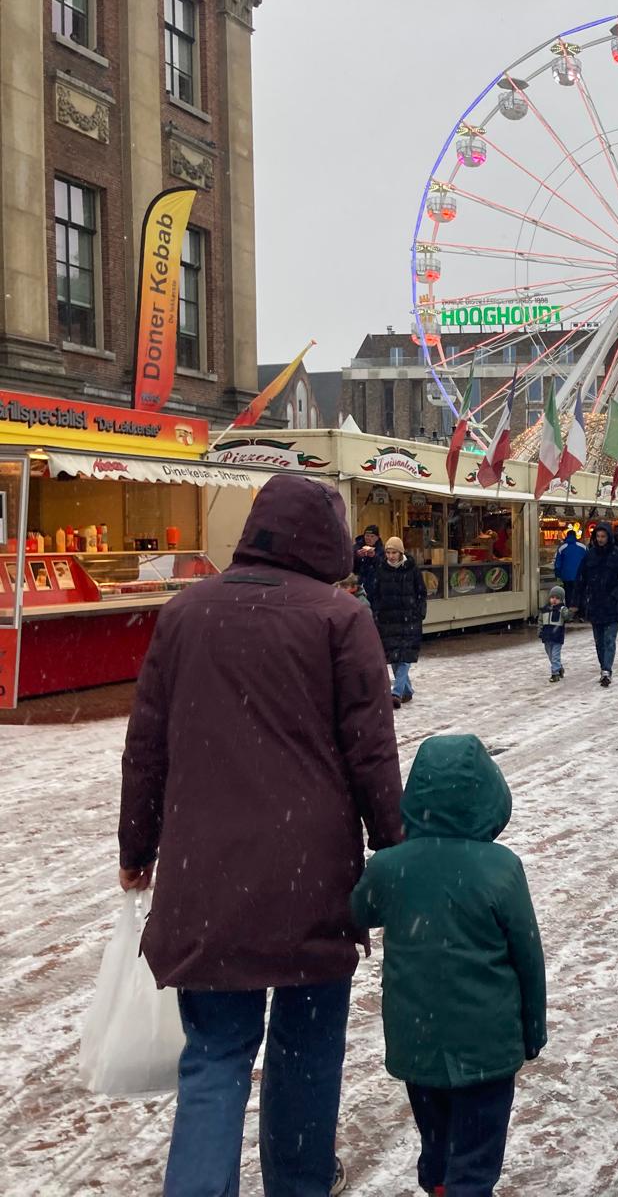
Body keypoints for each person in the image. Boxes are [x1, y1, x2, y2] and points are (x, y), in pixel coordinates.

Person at [119, 473, 404, 1197]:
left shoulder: (187, 614)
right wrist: (392, 846)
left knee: (213, 1054)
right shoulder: (339, 619)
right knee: (306, 1052)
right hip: (310, 874)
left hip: (205, 872)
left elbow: (146, 744)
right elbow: (370, 748)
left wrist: (136, 849)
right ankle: (299, 1181)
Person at [350, 735, 546, 1197]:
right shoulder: (501, 868)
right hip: (488, 1046)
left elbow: (359, 912)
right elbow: (528, 956)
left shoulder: (391, 867)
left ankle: (438, 1185)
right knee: (477, 1156)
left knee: (436, 1142)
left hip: (417, 1040)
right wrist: (532, 1030)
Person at [372, 537, 428, 708]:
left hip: (408, 618)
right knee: (394, 657)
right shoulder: (381, 569)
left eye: (394, 552)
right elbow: (376, 593)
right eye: (388, 552)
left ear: (401, 552)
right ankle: (407, 690)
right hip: (388, 619)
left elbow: (421, 592)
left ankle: (396, 692)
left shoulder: (412, 569)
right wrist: (377, 612)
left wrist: (419, 613)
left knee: (404, 656)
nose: (390, 556)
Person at [575, 525, 618, 686]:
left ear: (609, 537)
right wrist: (577, 602)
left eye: (603, 536)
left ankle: (607, 669)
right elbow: (581, 579)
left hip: (612, 603)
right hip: (595, 603)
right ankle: (603, 666)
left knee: (609, 639)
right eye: (598, 536)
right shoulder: (589, 555)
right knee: (599, 640)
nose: (600, 539)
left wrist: (616, 594)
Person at [539, 585, 569, 682]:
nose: (554, 600)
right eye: (552, 597)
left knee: (555, 655)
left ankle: (555, 673)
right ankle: (559, 668)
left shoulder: (562, 609)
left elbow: (567, 617)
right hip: (547, 636)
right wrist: (540, 631)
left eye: (557, 598)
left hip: (557, 636)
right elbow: (540, 621)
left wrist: (566, 612)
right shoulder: (545, 609)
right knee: (550, 654)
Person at [553, 528, 586, 601]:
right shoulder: (583, 547)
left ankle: (569, 610)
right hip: (580, 576)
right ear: (575, 536)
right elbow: (588, 561)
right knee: (579, 595)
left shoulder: (562, 547)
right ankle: (579, 610)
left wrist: (558, 575)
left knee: (568, 594)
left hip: (566, 576)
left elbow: (557, 564)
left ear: (567, 536)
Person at [353, 524, 383, 600]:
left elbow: (383, 566)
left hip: (375, 587)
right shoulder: (356, 547)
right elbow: (350, 565)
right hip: (358, 585)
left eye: (372, 536)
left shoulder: (381, 550)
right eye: (367, 535)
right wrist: (357, 557)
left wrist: (374, 557)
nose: (369, 538)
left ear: (377, 537)